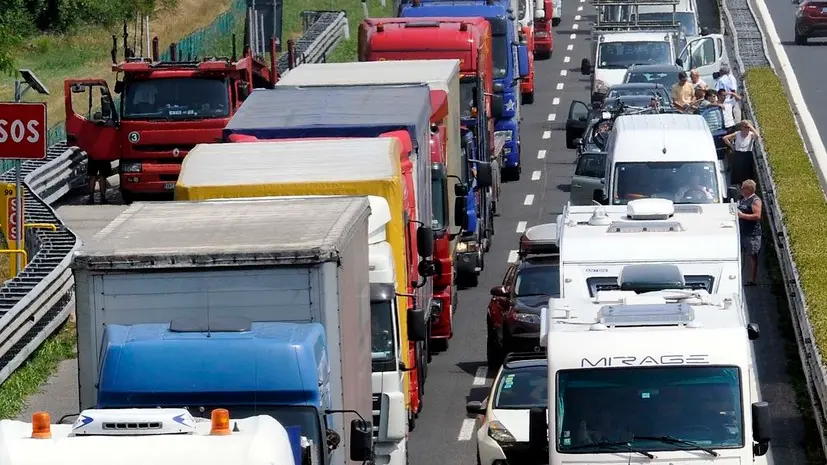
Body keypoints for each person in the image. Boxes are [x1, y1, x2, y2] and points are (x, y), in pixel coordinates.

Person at [737, 179, 763, 286]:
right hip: (743, 231)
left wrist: (742, 216)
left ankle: (752, 279)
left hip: (752, 233)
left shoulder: (755, 200)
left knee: (752, 255)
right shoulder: (744, 200)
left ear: (749, 189)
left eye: (743, 188)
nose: (741, 190)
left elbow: (757, 215)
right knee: (744, 254)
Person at [723, 120, 760, 186]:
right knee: (738, 175)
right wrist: (732, 147)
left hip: (747, 155)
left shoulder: (751, 134)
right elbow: (725, 138)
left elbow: (757, 135)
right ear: (742, 127)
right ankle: (739, 189)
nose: (747, 129)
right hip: (738, 155)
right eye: (745, 127)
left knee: (747, 175)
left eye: (748, 128)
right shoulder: (737, 133)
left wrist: (750, 126)